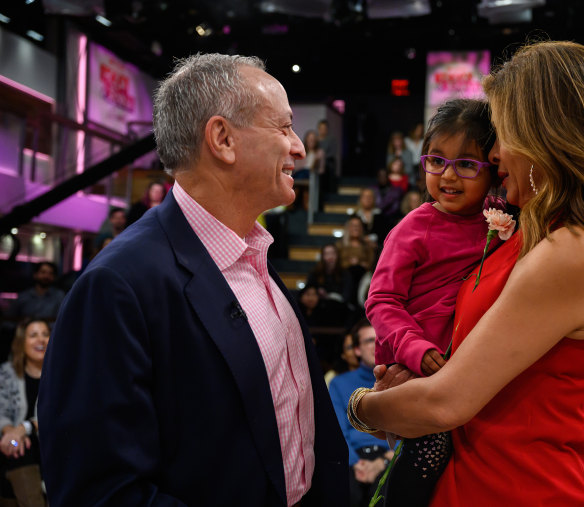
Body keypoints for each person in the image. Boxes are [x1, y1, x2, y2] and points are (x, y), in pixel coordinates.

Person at [350, 40, 584, 505]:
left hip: (512, 486)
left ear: (545, 135)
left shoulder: (575, 250)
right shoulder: (535, 232)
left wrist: (363, 406)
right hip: (474, 476)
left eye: (501, 134)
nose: (494, 154)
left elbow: (447, 402)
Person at [37, 53, 348, 506]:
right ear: (222, 138)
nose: (299, 146)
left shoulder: (254, 255)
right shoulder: (118, 285)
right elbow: (101, 490)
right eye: (283, 127)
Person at [365, 97, 504, 378]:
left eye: (466, 164)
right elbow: (381, 301)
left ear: (493, 169)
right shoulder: (413, 228)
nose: (448, 175)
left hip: (472, 365)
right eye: (437, 160)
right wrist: (414, 347)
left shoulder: (500, 216)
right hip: (416, 368)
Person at [328, 319, 393, 507]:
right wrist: (356, 464)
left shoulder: (400, 380)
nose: (376, 345)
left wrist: (383, 462)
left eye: (381, 339)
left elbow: (410, 432)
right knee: (346, 493)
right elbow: (338, 432)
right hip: (353, 457)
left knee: (386, 494)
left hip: (389, 457)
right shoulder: (339, 383)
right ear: (357, 350)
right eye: (369, 340)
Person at [0, 318, 48, 507]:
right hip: (13, 445)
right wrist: (11, 434)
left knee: (20, 453)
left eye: (45, 335)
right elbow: (1, 410)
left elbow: (56, 416)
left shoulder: (60, 375)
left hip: (49, 443)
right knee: (19, 450)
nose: (41, 340)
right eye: (33, 335)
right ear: (22, 342)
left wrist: (24, 428)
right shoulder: (6, 373)